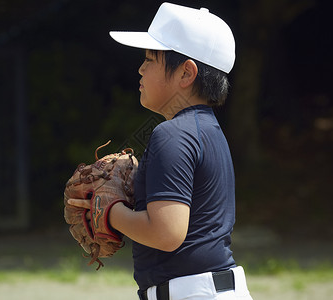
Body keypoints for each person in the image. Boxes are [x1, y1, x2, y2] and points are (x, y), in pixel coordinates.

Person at [68, 2, 254, 300]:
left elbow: (167, 234)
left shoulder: (172, 134)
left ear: (186, 73)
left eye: (150, 59)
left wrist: (109, 211)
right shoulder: (208, 130)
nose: (141, 68)